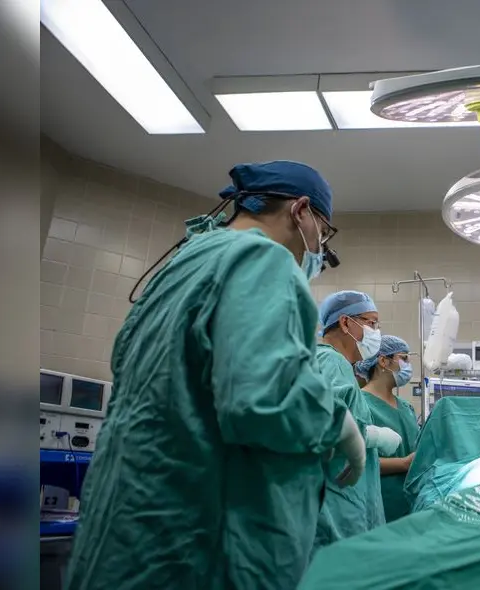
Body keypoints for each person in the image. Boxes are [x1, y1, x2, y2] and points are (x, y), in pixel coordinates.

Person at [65, 161, 367, 590]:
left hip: (126, 536)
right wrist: (337, 423)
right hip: (197, 546)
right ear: (300, 210)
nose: (320, 245)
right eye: (323, 229)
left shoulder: (183, 265)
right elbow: (264, 401)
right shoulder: (263, 260)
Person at [315, 291, 400, 546]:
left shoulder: (325, 362)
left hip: (336, 500)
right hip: (338, 506)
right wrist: (376, 436)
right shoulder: (333, 362)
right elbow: (326, 426)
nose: (376, 332)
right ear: (345, 322)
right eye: (371, 323)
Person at [355, 335, 422, 522]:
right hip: (381, 504)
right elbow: (354, 460)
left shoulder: (406, 408)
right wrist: (404, 463)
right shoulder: (361, 404)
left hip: (411, 503)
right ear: (383, 361)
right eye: (404, 358)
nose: (408, 365)